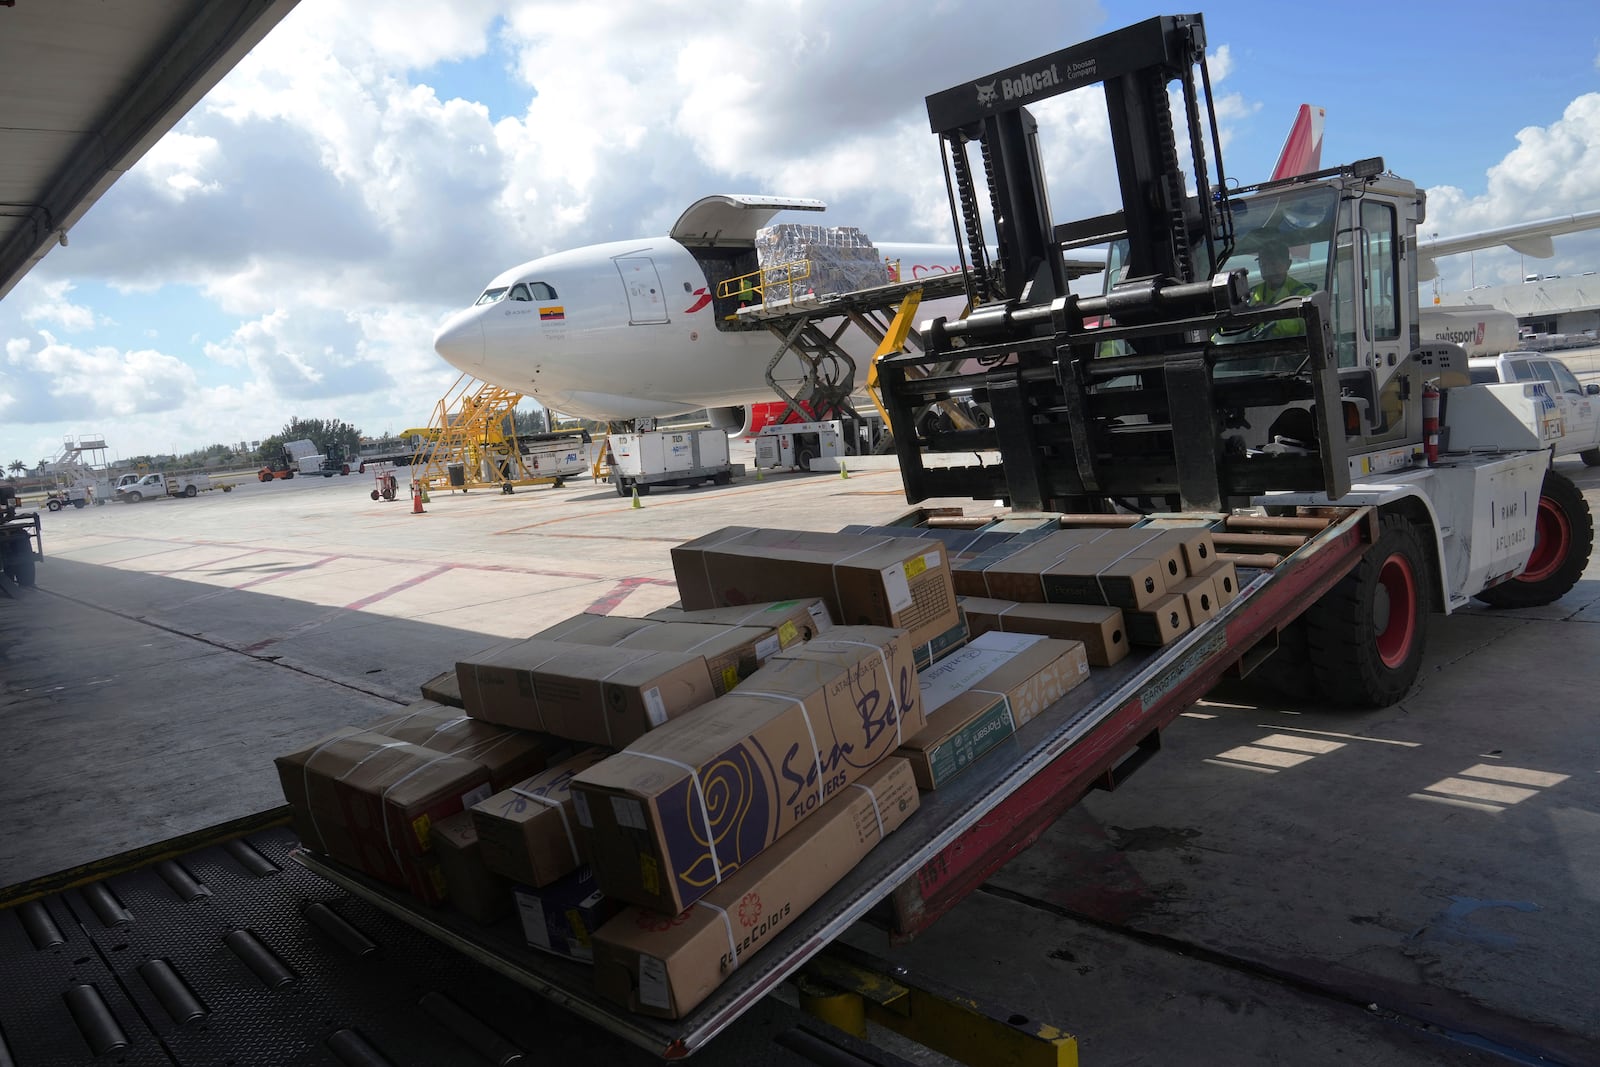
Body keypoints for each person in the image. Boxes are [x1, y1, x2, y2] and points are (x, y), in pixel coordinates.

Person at [1249, 237, 1315, 338]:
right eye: (1263, 264)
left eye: (1273, 263)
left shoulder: (1304, 295)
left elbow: (1302, 328)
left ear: (1288, 264)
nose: (1268, 268)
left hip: (1293, 351)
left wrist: (1268, 316)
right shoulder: (1251, 294)